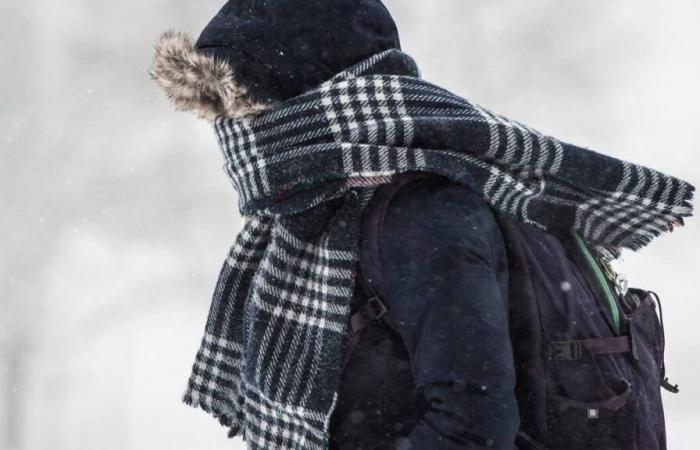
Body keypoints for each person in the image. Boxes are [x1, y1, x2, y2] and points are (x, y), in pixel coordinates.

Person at [151, 1, 694, 449]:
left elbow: (471, 432)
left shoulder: (422, 217)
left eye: (244, 116)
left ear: (307, 105)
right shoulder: (329, 214)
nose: (237, 142)